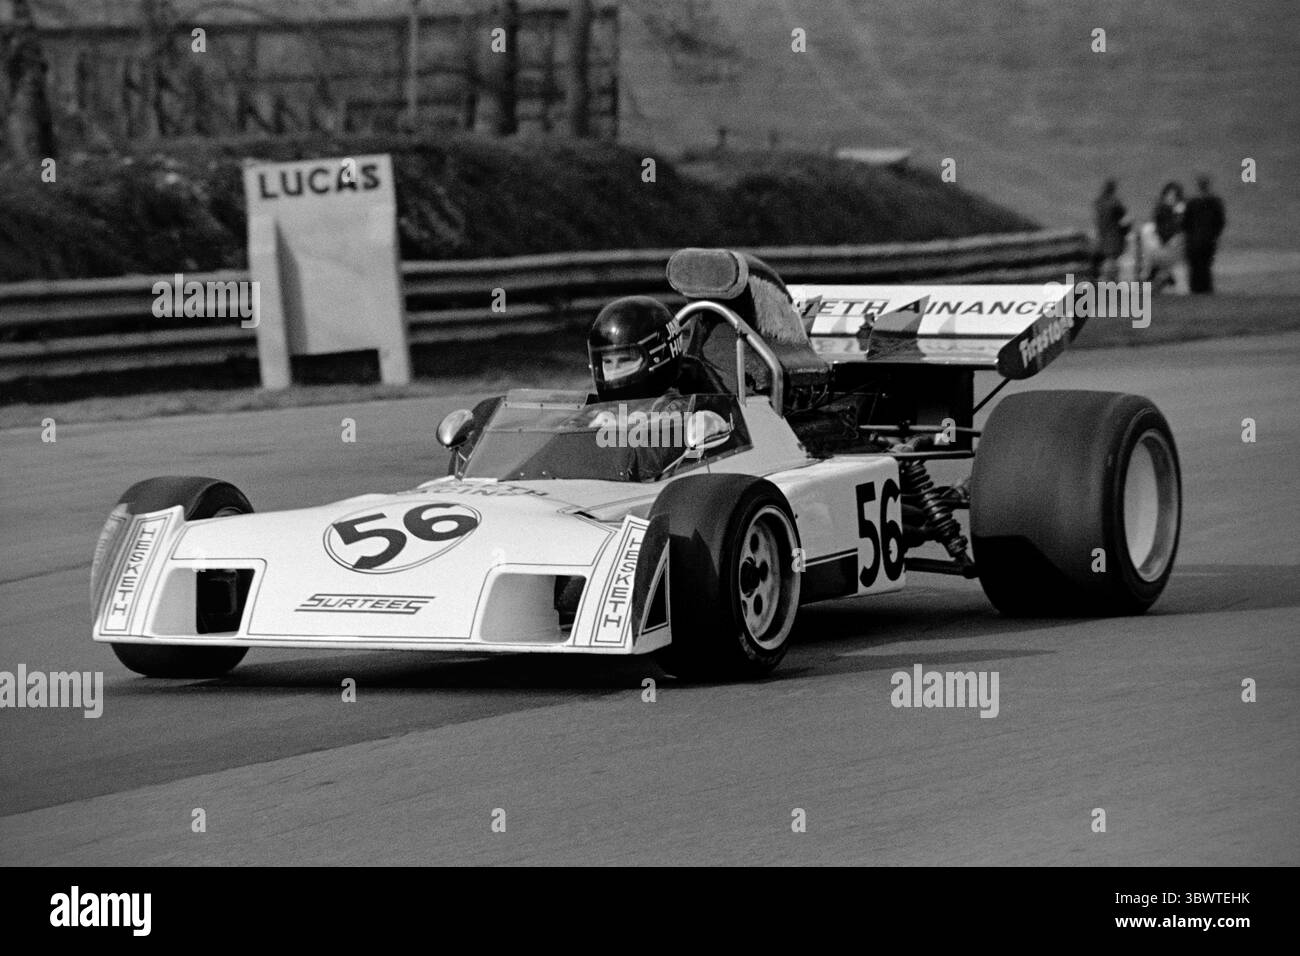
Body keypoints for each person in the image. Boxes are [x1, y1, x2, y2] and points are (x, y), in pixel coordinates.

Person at [1182, 175, 1226, 293]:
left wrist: (1189, 235)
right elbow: (1220, 222)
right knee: (1206, 265)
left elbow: (1185, 222)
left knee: (1195, 266)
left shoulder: (1192, 202)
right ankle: (1206, 288)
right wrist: (1215, 235)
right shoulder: (1215, 202)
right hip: (1209, 239)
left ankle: (1196, 288)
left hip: (1194, 240)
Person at [1148, 181, 1186, 292]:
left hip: (1172, 245)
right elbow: (1159, 226)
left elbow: (1179, 226)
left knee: (1166, 266)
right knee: (1163, 266)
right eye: (1169, 195)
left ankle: (1163, 281)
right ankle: (1163, 281)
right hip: (1163, 243)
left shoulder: (1179, 210)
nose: (1170, 198)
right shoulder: (1162, 210)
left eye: (1173, 196)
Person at [1093, 179, 1130, 282]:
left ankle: (1105, 281)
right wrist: (1127, 230)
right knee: (1111, 262)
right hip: (1114, 237)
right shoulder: (1115, 203)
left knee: (1107, 261)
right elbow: (1124, 221)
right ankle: (1108, 282)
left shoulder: (1099, 203)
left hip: (1102, 236)